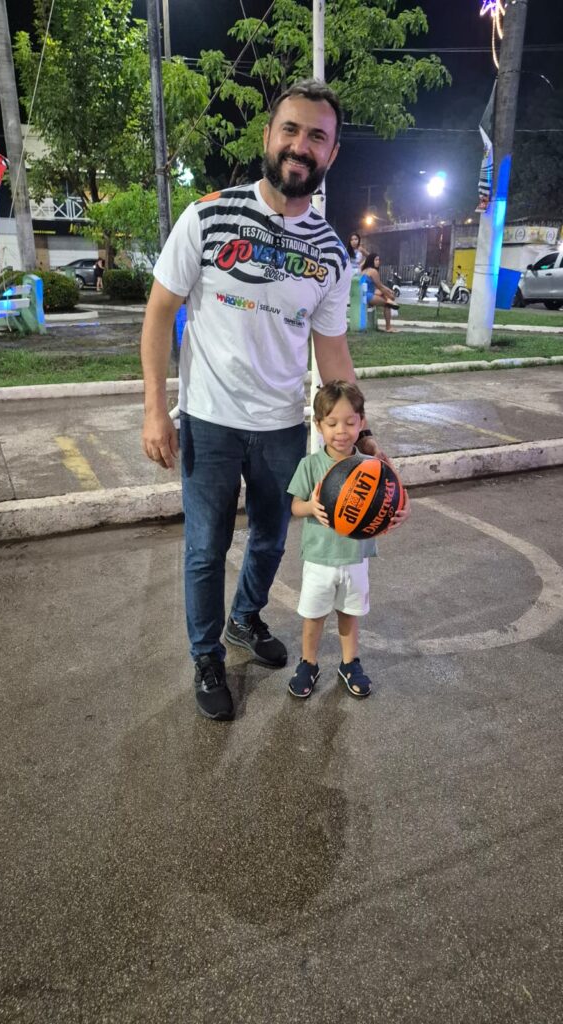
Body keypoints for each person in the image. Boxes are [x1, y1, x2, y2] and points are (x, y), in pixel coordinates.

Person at [140, 78, 403, 722]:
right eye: (291, 129)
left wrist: (362, 434)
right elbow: (159, 313)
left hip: (283, 425)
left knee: (269, 539)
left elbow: (332, 353)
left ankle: (244, 620)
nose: (300, 145)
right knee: (205, 549)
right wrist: (154, 409)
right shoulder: (208, 216)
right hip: (208, 420)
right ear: (268, 136)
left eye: (317, 136)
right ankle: (207, 657)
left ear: (332, 153)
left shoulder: (331, 254)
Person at [287, 381, 407, 700]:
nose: (341, 431)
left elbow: (395, 499)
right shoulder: (310, 465)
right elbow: (295, 506)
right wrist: (311, 507)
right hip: (319, 558)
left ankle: (350, 663)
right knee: (314, 616)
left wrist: (401, 513)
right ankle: (308, 663)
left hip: (355, 557)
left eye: (350, 423)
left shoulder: (372, 467)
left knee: (349, 614)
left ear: (361, 422)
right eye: (332, 423)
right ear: (318, 425)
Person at [361, 252, 399, 332]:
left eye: (378, 260)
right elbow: (380, 287)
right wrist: (390, 296)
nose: (378, 262)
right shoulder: (373, 271)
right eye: (376, 260)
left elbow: (380, 285)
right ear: (371, 260)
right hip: (367, 295)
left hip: (364, 294)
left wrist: (388, 290)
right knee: (388, 304)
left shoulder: (364, 270)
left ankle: (389, 299)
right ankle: (388, 327)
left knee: (383, 293)